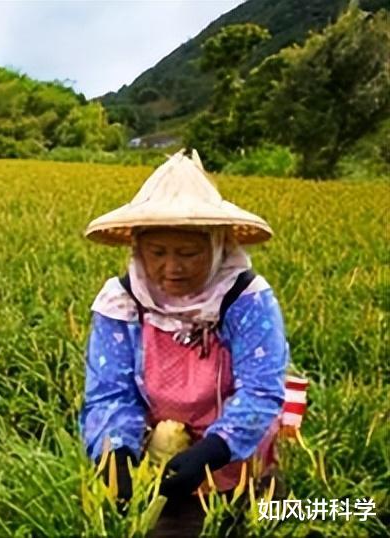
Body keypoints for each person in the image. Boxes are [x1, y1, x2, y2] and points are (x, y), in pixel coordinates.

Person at [79, 149, 289, 537]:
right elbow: (109, 392)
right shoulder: (122, 301)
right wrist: (117, 455)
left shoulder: (245, 299)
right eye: (157, 253)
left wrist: (213, 450)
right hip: (161, 456)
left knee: (292, 519)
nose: (171, 268)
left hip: (238, 452)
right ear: (137, 249)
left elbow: (262, 390)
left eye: (188, 254)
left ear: (217, 247)